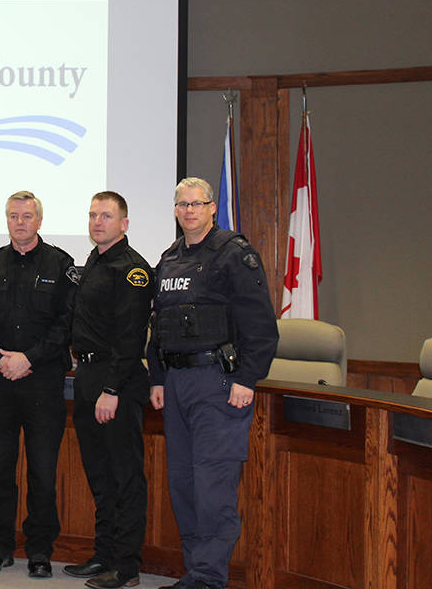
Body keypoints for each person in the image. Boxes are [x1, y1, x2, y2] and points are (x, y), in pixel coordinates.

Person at [147, 178, 278, 589]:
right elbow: (159, 325)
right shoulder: (169, 259)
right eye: (182, 205)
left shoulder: (233, 255)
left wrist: (247, 378)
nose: (189, 211)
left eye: (197, 204)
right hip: (177, 381)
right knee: (183, 483)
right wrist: (157, 377)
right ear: (174, 210)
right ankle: (195, 570)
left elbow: (260, 325)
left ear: (211, 208)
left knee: (212, 484)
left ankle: (208, 577)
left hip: (218, 383)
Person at [0, 191, 75, 579]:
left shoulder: (60, 263)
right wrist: (0, 359)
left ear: (39, 220)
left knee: (43, 472)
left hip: (42, 381)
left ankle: (39, 551)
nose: (20, 222)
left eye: (27, 216)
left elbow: (66, 324)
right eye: (13, 215)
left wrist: (29, 358)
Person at [64, 191, 155, 589]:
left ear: (125, 223)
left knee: (124, 477)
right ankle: (104, 555)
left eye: (106, 216)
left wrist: (111, 389)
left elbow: (130, 336)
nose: (97, 222)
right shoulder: (95, 262)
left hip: (114, 382)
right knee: (99, 475)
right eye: (92, 215)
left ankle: (126, 565)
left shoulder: (132, 270)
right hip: (87, 378)